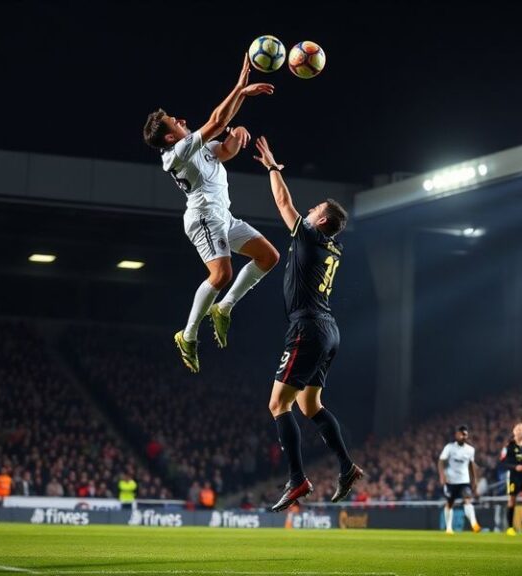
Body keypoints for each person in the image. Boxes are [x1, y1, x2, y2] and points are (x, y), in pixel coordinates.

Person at [143, 55, 279, 373]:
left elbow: (227, 148)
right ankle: (187, 336)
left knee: (268, 257)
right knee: (221, 275)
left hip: (223, 217)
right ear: (169, 137)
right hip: (203, 218)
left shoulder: (197, 147)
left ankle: (224, 307)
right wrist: (241, 90)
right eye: (175, 122)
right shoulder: (176, 153)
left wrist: (239, 130)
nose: (181, 119)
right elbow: (217, 121)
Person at [252, 136, 363, 512]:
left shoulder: (313, 238)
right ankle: (346, 466)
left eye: (314, 209)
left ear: (321, 221)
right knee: (309, 403)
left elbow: (283, 203)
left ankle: (297, 479)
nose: (309, 210)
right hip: (328, 329)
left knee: (277, 404)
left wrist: (272, 167)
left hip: (308, 327)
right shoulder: (333, 246)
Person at [438, 425, 481, 534]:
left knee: (467, 499)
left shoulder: (470, 450)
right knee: (450, 503)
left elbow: (471, 465)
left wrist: (474, 480)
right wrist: (442, 476)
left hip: (464, 481)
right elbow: (441, 461)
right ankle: (448, 528)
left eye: (465, 435)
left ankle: (474, 524)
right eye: (461, 434)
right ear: (456, 435)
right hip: (451, 481)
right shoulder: (449, 447)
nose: (463, 437)